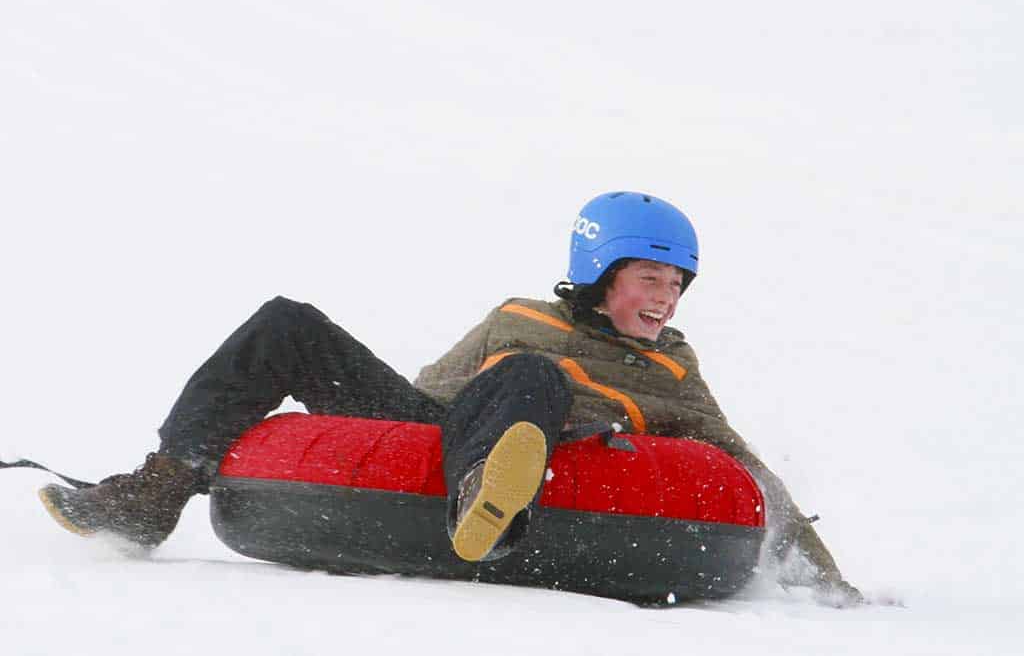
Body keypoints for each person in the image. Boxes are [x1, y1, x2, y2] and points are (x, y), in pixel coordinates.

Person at [37, 191, 861, 605]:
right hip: (452, 426)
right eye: (651, 280)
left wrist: (824, 579)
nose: (666, 300)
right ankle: (158, 488)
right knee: (286, 322)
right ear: (603, 274)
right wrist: (357, 442)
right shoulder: (519, 318)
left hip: (561, 445)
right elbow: (426, 399)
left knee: (537, 378)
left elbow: (740, 461)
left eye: (676, 285)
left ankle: (489, 504)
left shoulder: (674, 370)